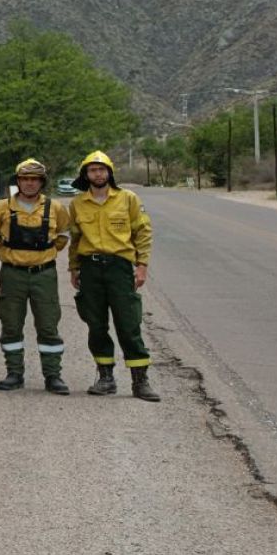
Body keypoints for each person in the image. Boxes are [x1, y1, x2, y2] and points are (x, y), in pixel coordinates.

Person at [68, 150, 157, 401]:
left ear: (109, 173)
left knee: (128, 324)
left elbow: (142, 232)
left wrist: (142, 265)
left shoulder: (127, 199)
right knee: (96, 325)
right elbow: (75, 240)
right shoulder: (77, 204)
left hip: (119, 267)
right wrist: (74, 268)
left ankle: (140, 382)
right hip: (90, 267)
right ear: (86, 175)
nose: (98, 174)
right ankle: (106, 378)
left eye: (102, 169)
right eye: (93, 170)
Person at [0, 159, 72, 394]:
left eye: (34, 179)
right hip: (12, 274)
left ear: (41, 182)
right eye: (25, 179)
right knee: (11, 325)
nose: (29, 183)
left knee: (48, 325)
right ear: (18, 181)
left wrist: (50, 252)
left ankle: (53, 376)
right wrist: (5, 253)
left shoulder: (55, 208)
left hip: (43, 275)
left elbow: (64, 235)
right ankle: (14, 373)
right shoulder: (1, 208)